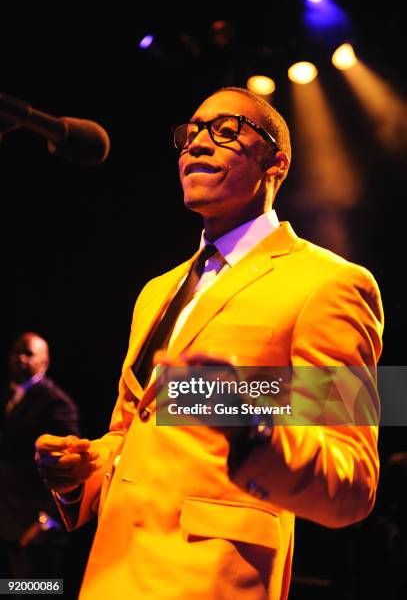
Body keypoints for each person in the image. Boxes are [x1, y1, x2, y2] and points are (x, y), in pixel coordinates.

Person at [35, 87, 384, 599]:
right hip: (114, 572)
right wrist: (82, 472)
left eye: (225, 131)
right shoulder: (158, 290)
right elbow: (133, 431)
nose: (198, 143)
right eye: (191, 132)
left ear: (277, 163)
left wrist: (252, 425)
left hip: (213, 580)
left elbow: (352, 480)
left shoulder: (328, 283)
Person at [0, 331, 80, 578]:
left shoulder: (57, 404)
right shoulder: (8, 395)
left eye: (28, 354)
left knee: (38, 588)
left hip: (34, 525)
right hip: (7, 518)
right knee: (9, 588)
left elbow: (69, 467)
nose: (20, 359)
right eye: (16, 352)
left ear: (44, 362)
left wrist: (50, 520)